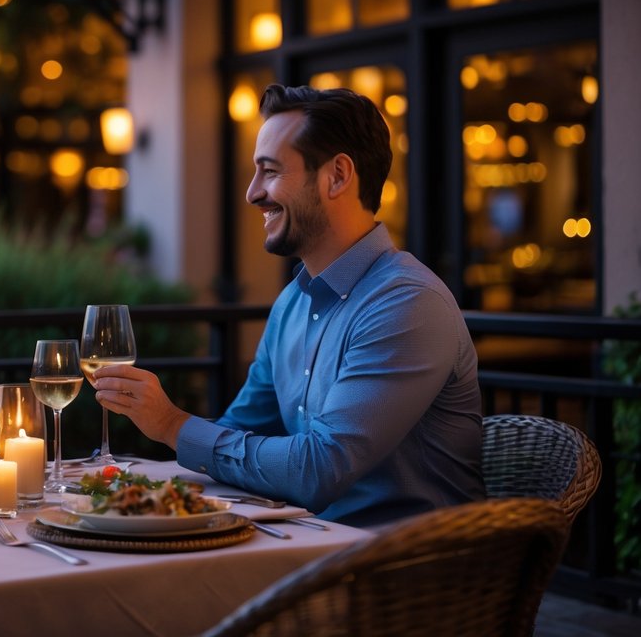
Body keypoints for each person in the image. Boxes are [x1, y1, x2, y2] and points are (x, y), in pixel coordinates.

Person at [93, 84, 484, 528]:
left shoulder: (407, 303)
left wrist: (171, 425)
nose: (252, 193)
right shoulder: (293, 302)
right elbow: (240, 432)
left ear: (337, 176)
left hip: (409, 569)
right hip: (306, 548)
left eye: (271, 171)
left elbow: (319, 470)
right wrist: (137, 488)